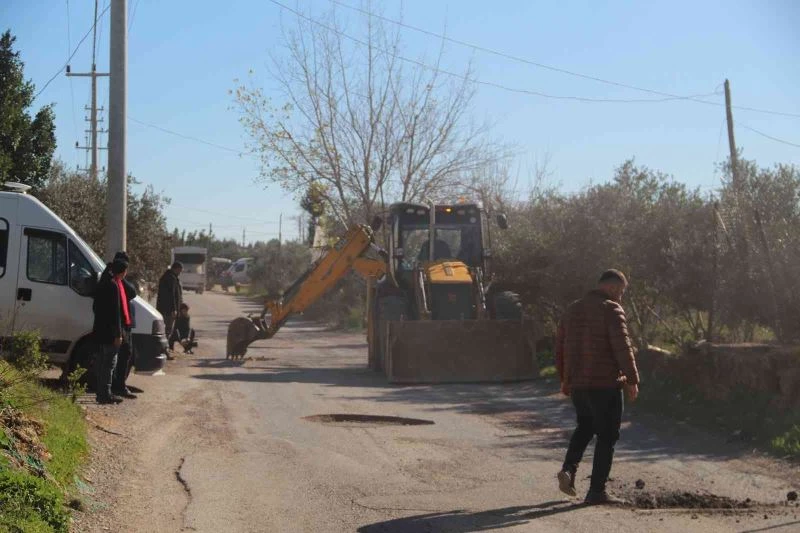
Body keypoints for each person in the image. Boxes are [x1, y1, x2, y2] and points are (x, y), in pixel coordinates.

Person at [555, 269, 640, 505]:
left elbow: (560, 347)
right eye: (621, 292)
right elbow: (622, 347)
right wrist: (632, 380)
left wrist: (564, 379)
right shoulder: (611, 309)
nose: (621, 297)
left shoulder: (572, 309)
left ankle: (569, 471)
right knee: (607, 435)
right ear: (612, 288)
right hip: (605, 385)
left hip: (579, 385)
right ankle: (596, 491)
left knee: (585, 427)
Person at [92, 257, 132, 404]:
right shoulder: (113, 286)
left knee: (103, 363)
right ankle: (105, 394)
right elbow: (116, 313)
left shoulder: (102, 283)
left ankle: (101, 393)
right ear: (122, 272)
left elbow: (95, 308)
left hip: (100, 330)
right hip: (110, 333)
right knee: (109, 364)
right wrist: (118, 334)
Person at [100, 251, 138, 399]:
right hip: (116, 324)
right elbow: (131, 292)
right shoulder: (110, 277)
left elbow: (132, 292)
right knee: (110, 359)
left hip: (124, 323)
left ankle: (118, 385)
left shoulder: (119, 279)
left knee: (124, 354)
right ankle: (110, 390)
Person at [157, 261, 183, 356]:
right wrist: (174, 309)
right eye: (180, 270)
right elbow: (171, 295)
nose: (180, 272)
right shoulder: (170, 278)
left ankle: (165, 349)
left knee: (168, 330)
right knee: (167, 330)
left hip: (167, 309)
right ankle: (164, 350)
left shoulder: (170, 277)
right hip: (168, 310)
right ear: (176, 269)